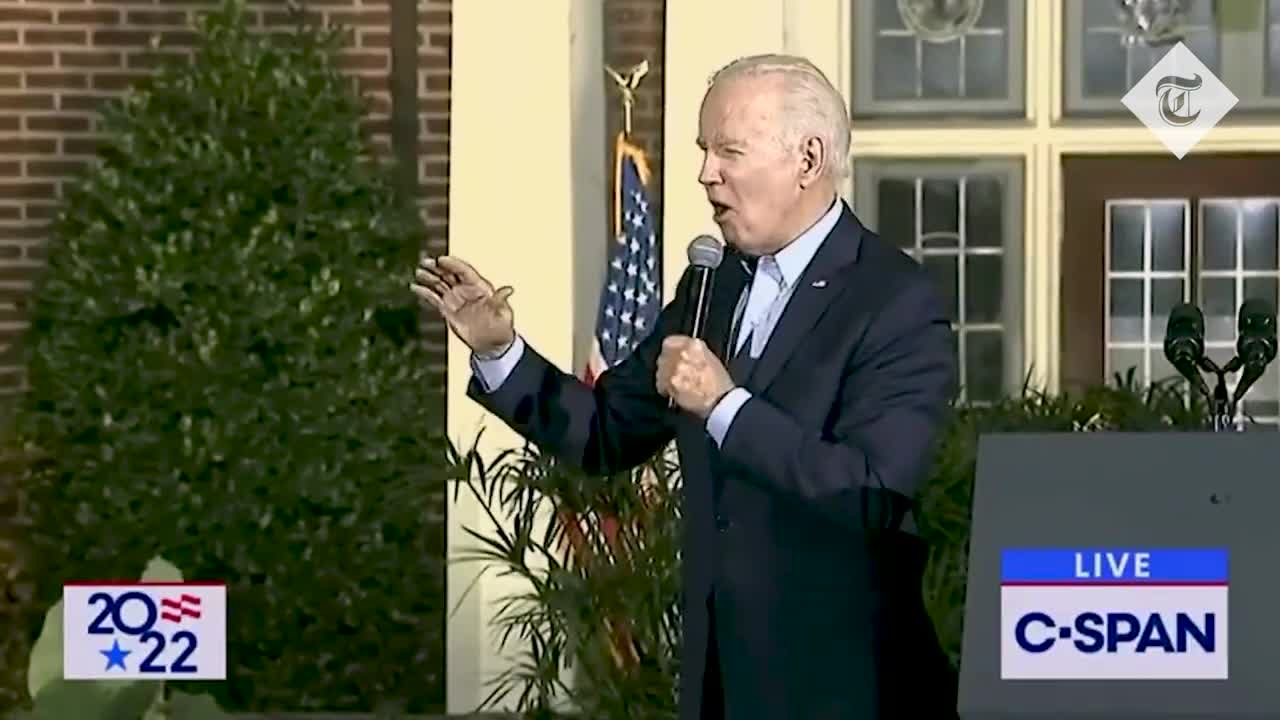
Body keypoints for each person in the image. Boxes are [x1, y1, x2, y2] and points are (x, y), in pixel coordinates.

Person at [413, 54, 958, 720]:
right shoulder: (712, 284)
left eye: (729, 150)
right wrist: (500, 350)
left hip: (847, 690)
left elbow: (871, 490)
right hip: (719, 684)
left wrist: (726, 407)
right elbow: (606, 432)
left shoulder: (893, 299)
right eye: (704, 150)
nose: (705, 174)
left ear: (808, 160)